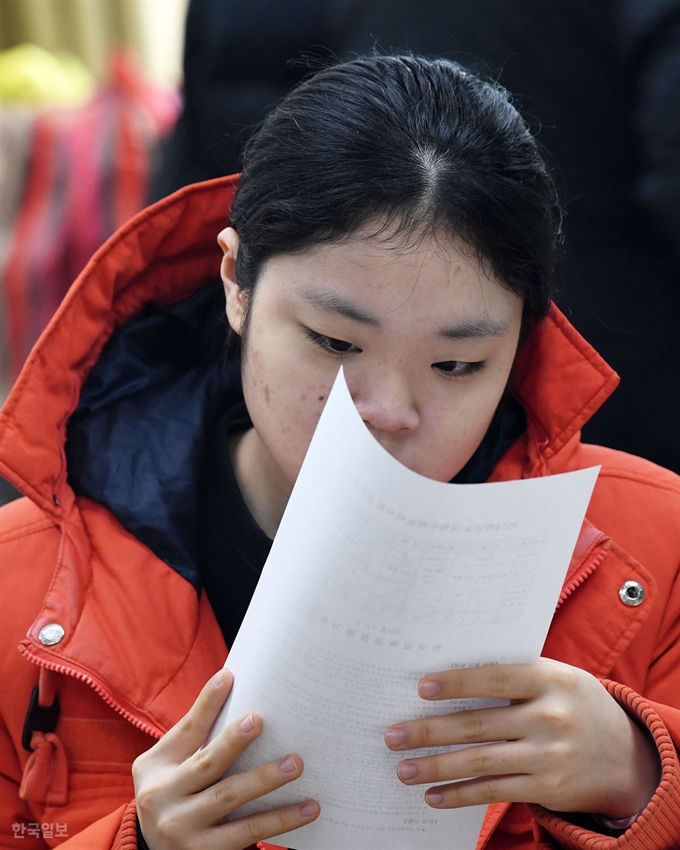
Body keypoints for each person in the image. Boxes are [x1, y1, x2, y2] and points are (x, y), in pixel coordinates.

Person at [0, 54, 679, 850]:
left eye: (458, 366)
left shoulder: (655, 544)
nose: (389, 414)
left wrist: (641, 774)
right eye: (332, 342)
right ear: (235, 282)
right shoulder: (23, 584)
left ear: (521, 342)